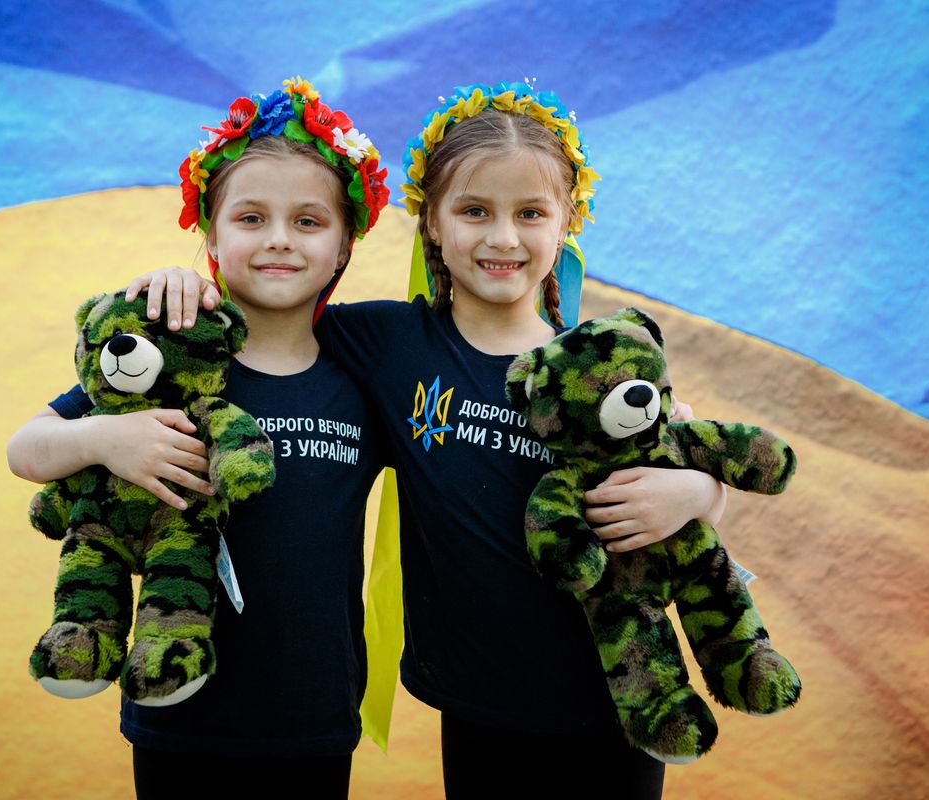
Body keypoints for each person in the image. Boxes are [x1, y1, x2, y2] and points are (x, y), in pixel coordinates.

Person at [134, 81, 728, 798]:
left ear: (566, 221)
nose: (503, 236)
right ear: (434, 225)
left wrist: (700, 489)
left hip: (615, 700)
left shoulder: (596, 365)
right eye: (475, 210)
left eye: (530, 213)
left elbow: (693, 453)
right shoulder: (386, 345)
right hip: (475, 710)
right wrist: (180, 286)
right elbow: (272, 314)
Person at [6, 78, 390, 800]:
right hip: (177, 704)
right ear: (210, 235)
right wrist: (107, 438)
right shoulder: (165, 358)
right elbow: (25, 448)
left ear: (344, 246)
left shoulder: (363, 369)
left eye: (309, 222)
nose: (279, 238)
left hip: (315, 713)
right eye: (251, 217)